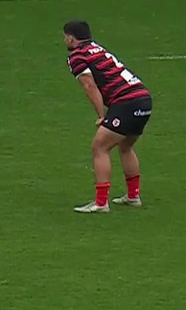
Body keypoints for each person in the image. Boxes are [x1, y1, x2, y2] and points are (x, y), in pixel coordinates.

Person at [64, 20, 152, 213]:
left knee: (99, 147)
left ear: (71, 38)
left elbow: (89, 85)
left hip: (126, 102)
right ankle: (133, 196)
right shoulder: (97, 48)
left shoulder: (77, 56)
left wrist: (101, 115)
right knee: (126, 145)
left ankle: (101, 203)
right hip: (143, 98)